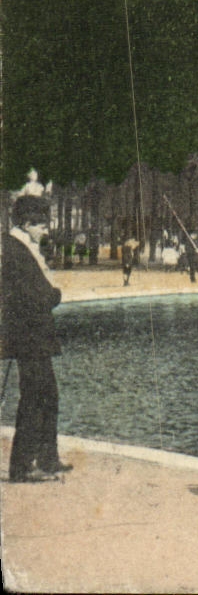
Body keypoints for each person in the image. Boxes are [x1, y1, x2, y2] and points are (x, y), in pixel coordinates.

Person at [4, 193, 72, 482]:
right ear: (28, 222)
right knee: (35, 398)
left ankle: (47, 457)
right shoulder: (15, 250)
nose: (45, 230)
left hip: (32, 337)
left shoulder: (20, 247)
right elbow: (34, 296)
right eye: (42, 225)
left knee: (47, 396)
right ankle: (21, 467)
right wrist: (54, 295)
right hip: (29, 337)